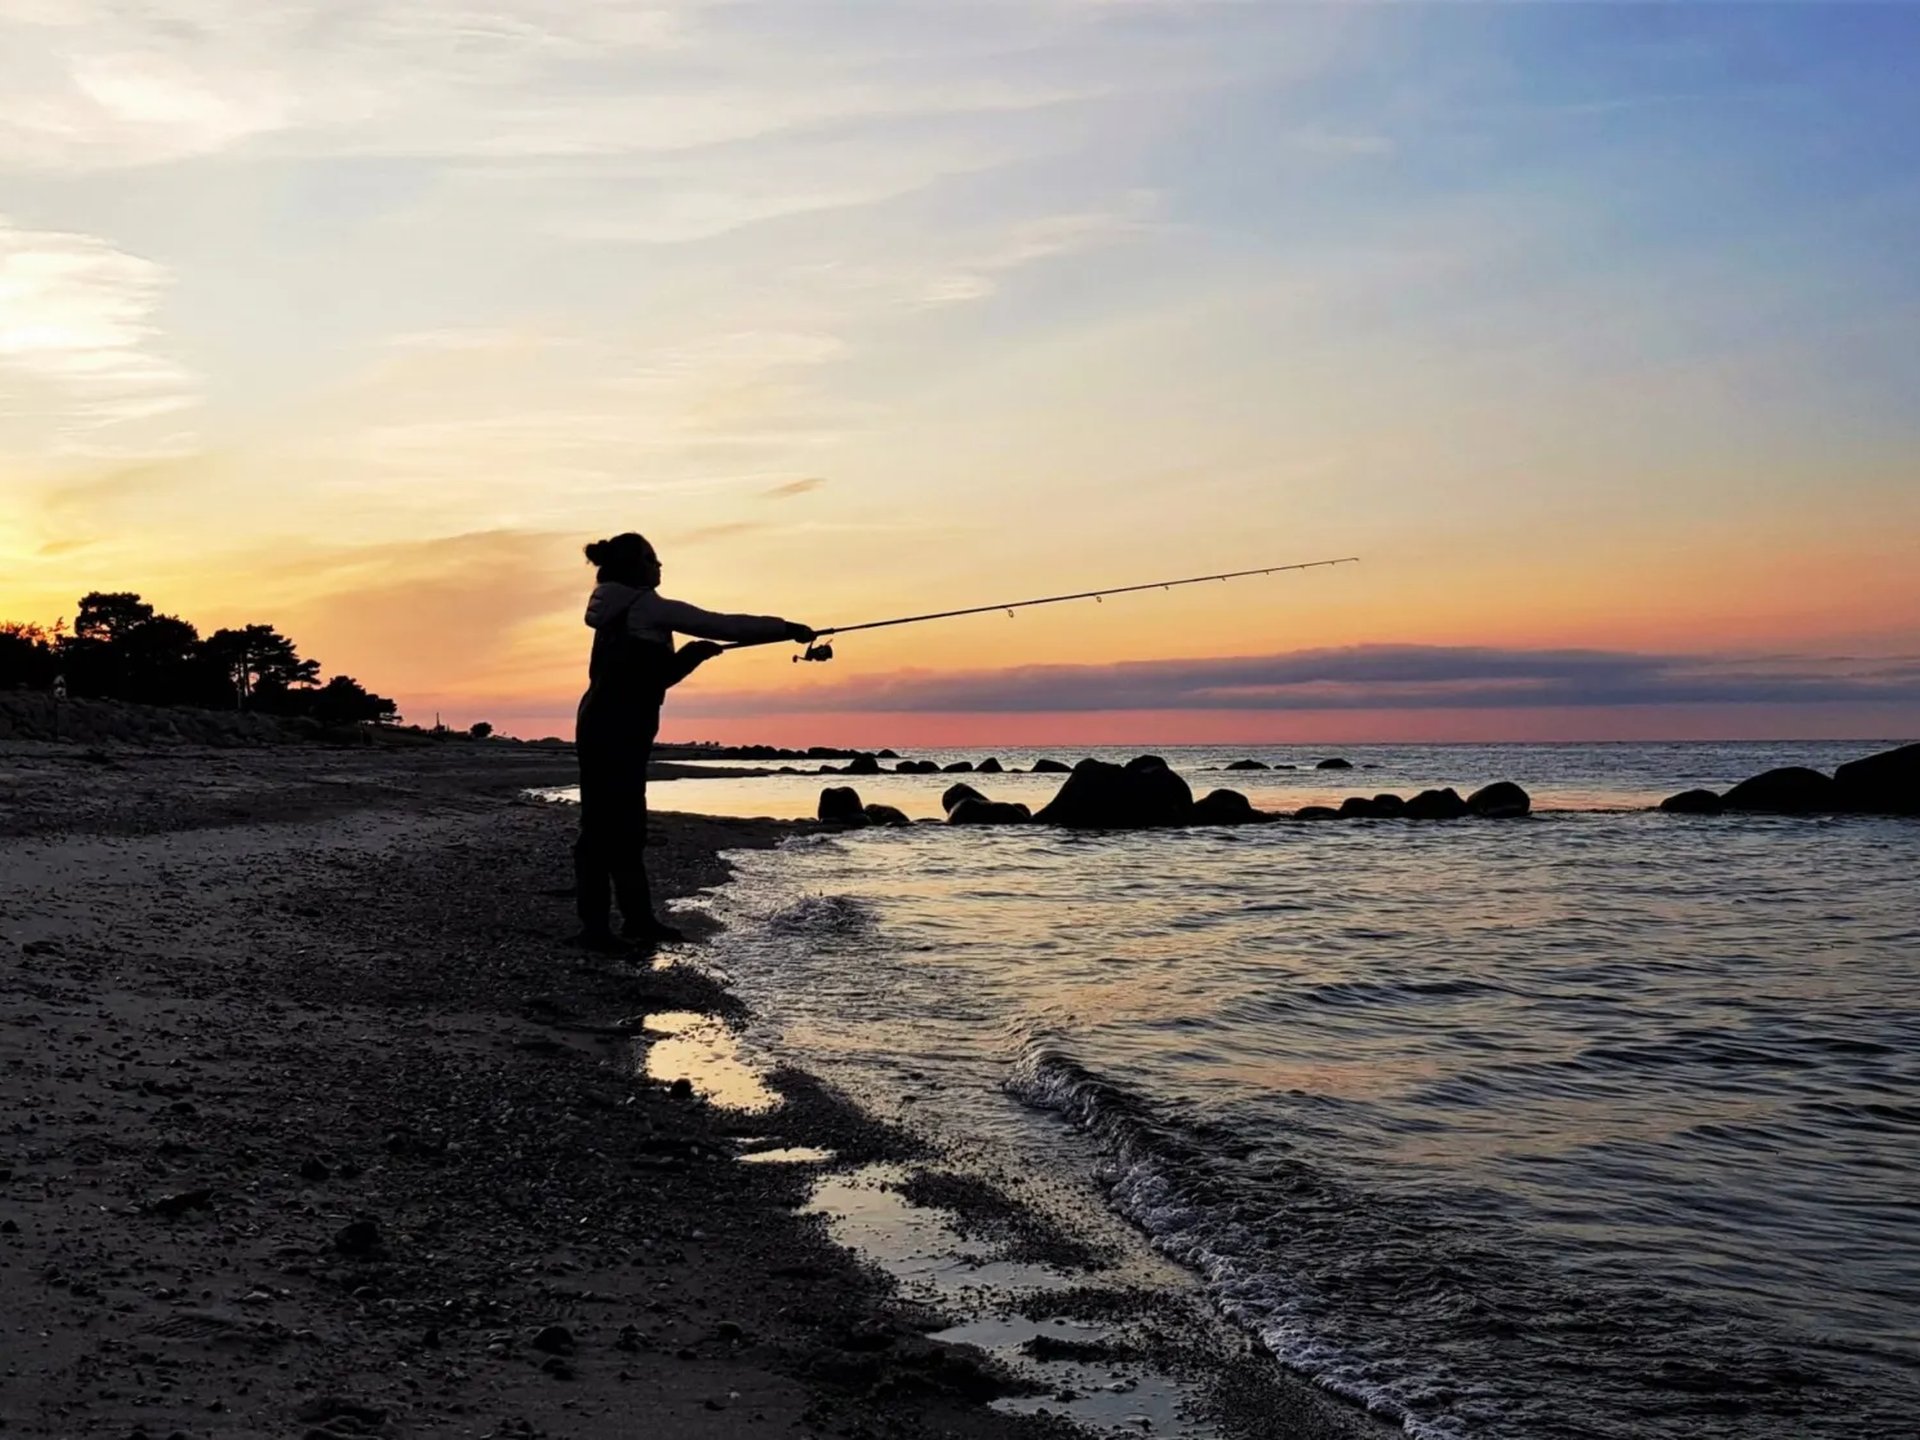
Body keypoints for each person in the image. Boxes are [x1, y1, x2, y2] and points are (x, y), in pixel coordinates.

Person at [572, 532, 813, 951]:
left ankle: (632, 920)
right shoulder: (645, 606)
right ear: (634, 567)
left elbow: (648, 676)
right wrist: (786, 629)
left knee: (619, 824)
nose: (660, 566)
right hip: (617, 727)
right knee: (608, 828)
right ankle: (601, 928)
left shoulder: (615, 608)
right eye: (653, 560)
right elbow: (721, 624)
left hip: (604, 722)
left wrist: (691, 657)